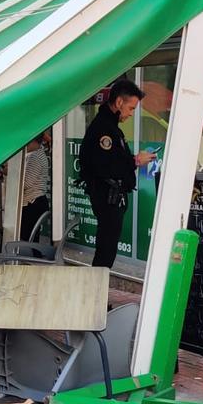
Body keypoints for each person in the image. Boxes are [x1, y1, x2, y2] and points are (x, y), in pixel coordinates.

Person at [78, 79, 155, 268]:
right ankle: (97, 292)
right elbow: (105, 165)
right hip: (107, 196)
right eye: (131, 108)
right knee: (106, 250)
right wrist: (135, 160)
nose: (130, 114)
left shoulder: (109, 126)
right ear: (119, 102)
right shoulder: (104, 128)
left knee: (107, 248)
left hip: (111, 197)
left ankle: (98, 290)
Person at [19, 130, 51, 241]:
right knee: (30, 237)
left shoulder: (35, 157)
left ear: (34, 141)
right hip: (34, 202)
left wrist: (11, 174)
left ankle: (32, 257)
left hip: (33, 203)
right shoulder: (33, 155)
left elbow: (26, 183)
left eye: (27, 142)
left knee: (28, 238)